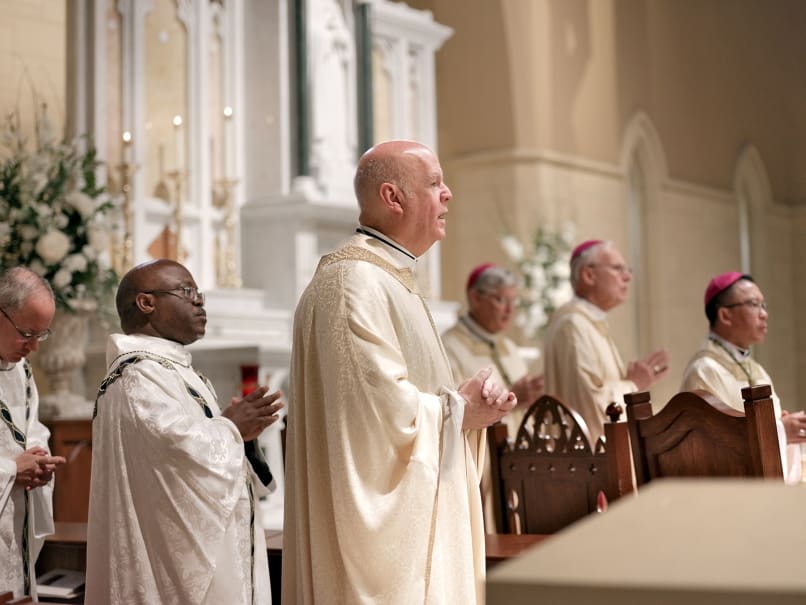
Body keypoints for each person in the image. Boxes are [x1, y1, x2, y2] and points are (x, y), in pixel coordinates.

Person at [283, 140, 517, 604]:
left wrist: (471, 409)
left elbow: (411, 401)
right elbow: (374, 426)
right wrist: (458, 412)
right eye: (434, 183)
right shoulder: (355, 283)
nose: (448, 193)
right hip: (379, 560)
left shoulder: (389, 277)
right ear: (393, 198)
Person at [85, 259, 284, 605]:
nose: (199, 301)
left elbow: (185, 445)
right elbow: (176, 452)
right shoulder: (138, 377)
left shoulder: (170, 370)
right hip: (170, 564)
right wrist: (230, 428)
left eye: (199, 293)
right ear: (146, 303)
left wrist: (239, 434)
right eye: (186, 291)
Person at [442, 263, 544, 532]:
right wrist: (514, 397)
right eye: (500, 300)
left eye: (513, 301)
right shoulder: (450, 346)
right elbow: (454, 407)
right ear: (475, 297)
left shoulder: (508, 346)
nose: (509, 310)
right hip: (483, 462)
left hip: (519, 458)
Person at [680, 271, 805, 484]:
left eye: (764, 306)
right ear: (725, 316)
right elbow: (711, 446)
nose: (764, 314)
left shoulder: (754, 368)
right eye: (754, 304)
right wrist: (781, 429)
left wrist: (783, 425)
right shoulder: (704, 370)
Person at [542, 240, 669, 444]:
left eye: (627, 270)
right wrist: (634, 384)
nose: (627, 277)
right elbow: (590, 405)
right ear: (588, 275)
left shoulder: (589, 322)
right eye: (618, 269)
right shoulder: (573, 325)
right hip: (587, 458)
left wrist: (632, 381)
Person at [0, 267, 65, 600]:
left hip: (15, 522)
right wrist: (12, 469)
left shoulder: (21, 371)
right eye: (27, 332)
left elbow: (30, 427)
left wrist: (37, 455)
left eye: (42, 335)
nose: (34, 347)